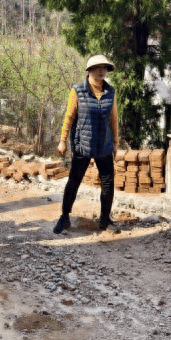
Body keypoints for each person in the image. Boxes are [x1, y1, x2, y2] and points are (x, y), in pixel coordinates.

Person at [53, 54, 119, 234]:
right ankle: (64, 217)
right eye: (97, 68)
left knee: (108, 184)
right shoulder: (78, 91)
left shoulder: (110, 92)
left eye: (104, 68)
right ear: (89, 70)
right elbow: (69, 117)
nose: (101, 71)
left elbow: (113, 119)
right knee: (74, 182)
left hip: (104, 145)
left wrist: (115, 143)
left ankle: (105, 220)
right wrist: (62, 140)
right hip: (82, 144)